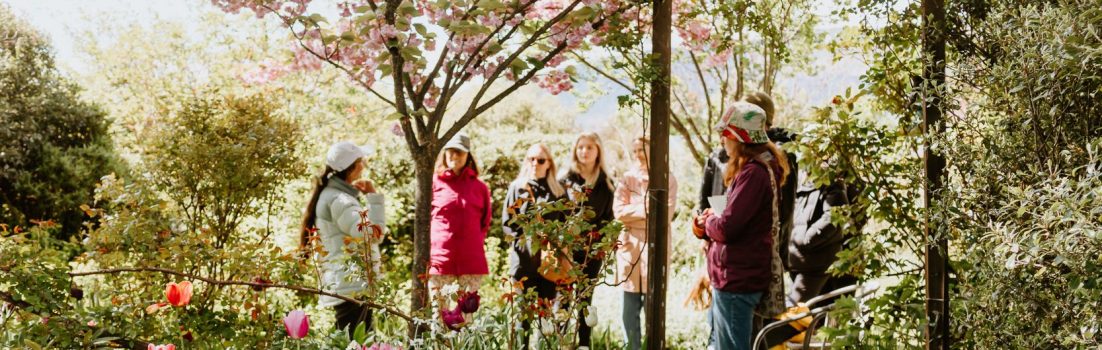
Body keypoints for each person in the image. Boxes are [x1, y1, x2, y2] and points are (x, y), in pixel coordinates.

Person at [692, 102, 789, 350]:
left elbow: (727, 227)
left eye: (726, 133)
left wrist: (711, 220)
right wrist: (710, 219)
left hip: (737, 279)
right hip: (733, 277)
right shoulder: (751, 170)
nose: (722, 139)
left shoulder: (754, 174)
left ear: (739, 137)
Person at [300, 141, 386, 336]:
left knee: (355, 340)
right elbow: (372, 233)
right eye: (361, 161)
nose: (364, 164)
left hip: (347, 284)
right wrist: (374, 197)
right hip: (351, 287)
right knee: (358, 342)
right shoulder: (340, 201)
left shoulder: (334, 196)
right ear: (353, 168)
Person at [613, 136, 678, 350]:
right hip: (630, 249)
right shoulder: (626, 179)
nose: (638, 154)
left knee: (653, 311)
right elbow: (618, 212)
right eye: (635, 150)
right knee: (629, 313)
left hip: (655, 248)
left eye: (642, 149)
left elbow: (664, 216)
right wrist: (646, 209)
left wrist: (635, 214)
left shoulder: (668, 179)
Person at [501, 143, 567, 349]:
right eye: (531, 159)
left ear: (549, 164)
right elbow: (508, 224)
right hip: (523, 264)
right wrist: (524, 244)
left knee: (545, 317)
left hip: (549, 265)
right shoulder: (518, 188)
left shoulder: (557, 191)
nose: (535, 164)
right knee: (523, 318)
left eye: (540, 160)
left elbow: (565, 224)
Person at [559, 132, 616, 349]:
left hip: (592, 253)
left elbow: (609, 219)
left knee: (585, 300)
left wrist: (599, 243)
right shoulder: (565, 179)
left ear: (598, 151)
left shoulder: (606, 183)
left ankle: (584, 344)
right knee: (563, 299)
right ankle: (561, 342)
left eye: (589, 147)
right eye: (580, 147)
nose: (584, 151)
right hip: (566, 250)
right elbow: (557, 215)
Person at [428, 133, 492, 309]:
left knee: (466, 318)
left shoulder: (480, 187)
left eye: (460, 152)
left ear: (468, 156)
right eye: (451, 152)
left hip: (471, 261)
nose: (455, 156)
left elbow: (485, 221)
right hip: (440, 261)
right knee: (439, 318)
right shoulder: (433, 183)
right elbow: (424, 219)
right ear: (445, 153)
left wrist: (474, 243)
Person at [787, 179, 858, 305]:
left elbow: (835, 216)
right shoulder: (800, 179)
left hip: (817, 261)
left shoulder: (832, 180)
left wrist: (806, 240)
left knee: (795, 312)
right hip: (798, 258)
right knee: (814, 311)